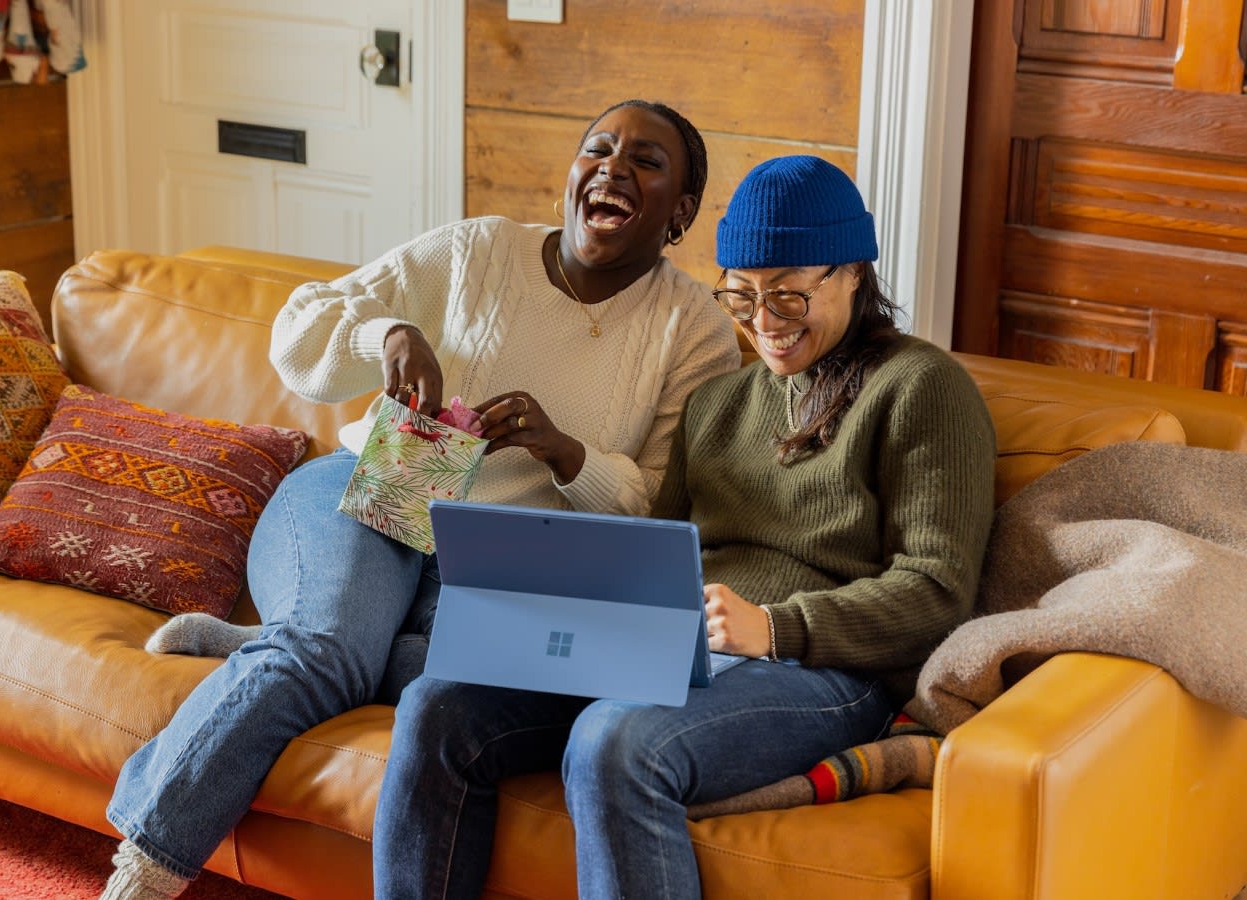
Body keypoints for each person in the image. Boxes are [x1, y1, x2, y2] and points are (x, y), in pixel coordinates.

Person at [97, 99, 741, 900]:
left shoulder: (696, 332)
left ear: (679, 212)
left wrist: (566, 453)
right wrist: (389, 335)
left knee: (504, 669)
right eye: (598, 150)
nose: (613, 168)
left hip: (503, 565)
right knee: (326, 653)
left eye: (646, 162)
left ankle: (268, 645)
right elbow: (300, 331)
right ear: (573, 175)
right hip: (375, 487)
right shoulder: (479, 251)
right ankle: (145, 868)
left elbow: (659, 514)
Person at [372, 155, 998, 899]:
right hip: (672, 650)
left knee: (615, 744)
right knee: (438, 705)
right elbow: (654, 556)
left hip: (822, 670)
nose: (764, 324)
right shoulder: (718, 405)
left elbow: (936, 591)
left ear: (853, 273)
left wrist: (775, 627)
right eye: (742, 295)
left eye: (789, 298)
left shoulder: (923, 388)